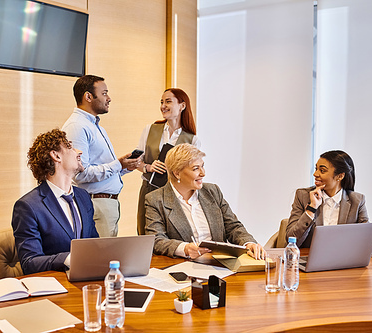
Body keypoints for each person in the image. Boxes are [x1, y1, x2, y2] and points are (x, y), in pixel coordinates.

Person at [145, 143, 265, 260]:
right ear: (177, 173)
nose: (203, 173)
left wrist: (248, 243)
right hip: (183, 266)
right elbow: (157, 240)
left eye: (203, 166)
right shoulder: (155, 200)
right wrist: (185, 249)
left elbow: (233, 227)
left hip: (220, 264)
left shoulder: (213, 191)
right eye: (196, 168)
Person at [62, 75, 141, 237]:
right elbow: (81, 174)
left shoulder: (94, 125)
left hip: (106, 205)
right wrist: (118, 164)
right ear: (88, 97)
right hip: (96, 205)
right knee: (102, 260)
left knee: (107, 258)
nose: (109, 98)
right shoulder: (77, 126)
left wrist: (124, 167)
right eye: (104, 93)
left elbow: (99, 167)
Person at [12, 129, 99, 275]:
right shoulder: (27, 206)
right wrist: (67, 259)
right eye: (70, 147)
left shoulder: (83, 196)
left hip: (89, 282)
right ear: (56, 155)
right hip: (56, 287)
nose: (79, 152)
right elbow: (29, 262)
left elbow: (94, 243)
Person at [135, 88, 201, 235]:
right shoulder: (150, 129)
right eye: (162, 102)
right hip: (149, 189)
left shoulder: (192, 140)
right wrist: (148, 167)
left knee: (172, 236)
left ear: (182, 106)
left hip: (176, 194)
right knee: (146, 235)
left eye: (168, 101)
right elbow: (136, 162)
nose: (163, 106)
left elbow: (194, 172)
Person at [286, 150, 369, 248]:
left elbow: (370, 245)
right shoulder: (303, 195)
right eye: (316, 169)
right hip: (309, 260)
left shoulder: (357, 201)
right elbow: (291, 240)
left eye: (322, 170)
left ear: (340, 176)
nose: (315, 174)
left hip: (342, 261)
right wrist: (311, 209)